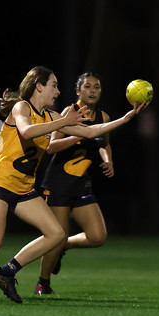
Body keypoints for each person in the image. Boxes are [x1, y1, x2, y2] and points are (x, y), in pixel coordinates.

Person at [0, 66, 147, 304]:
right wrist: (62, 122)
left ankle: (6, 272)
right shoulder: (22, 107)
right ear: (39, 86)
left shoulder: (51, 116)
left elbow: (91, 131)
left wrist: (126, 118)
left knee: (56, 234)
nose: (58, 91)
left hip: (23, 187)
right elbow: (27, 131)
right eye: (54, 85)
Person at [34, 73, 115, 295]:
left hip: (81, 183)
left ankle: (66, 246)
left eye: (97, 87)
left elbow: (104, 142)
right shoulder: (69, 113)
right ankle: (43, 282)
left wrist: (108, 161)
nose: (93, 90)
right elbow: (51, 146)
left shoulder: (103, 116)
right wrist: (79, 136)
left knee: (97, 236)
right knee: (56, 237)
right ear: (78, 91)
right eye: (88, 86)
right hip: (59, 182)